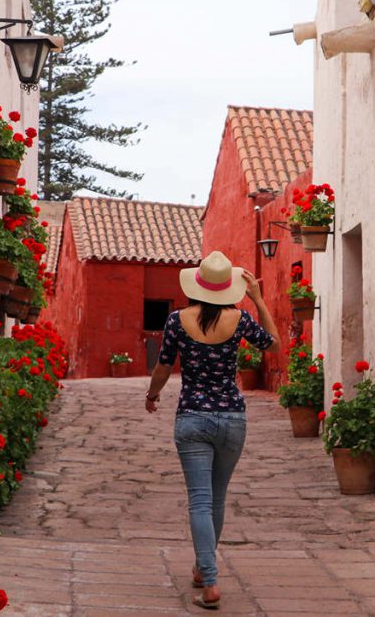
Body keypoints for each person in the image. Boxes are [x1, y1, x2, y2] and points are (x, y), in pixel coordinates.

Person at [145, 251, 280, 610]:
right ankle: (204, 569)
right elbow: (273, 343)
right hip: (232, 418)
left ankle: (210, 580)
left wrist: (152, 395)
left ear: (198, 285)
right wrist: (258, 299)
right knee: (216, 499)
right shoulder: (240, 319)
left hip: (192, 417)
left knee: (200, 501)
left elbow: (162, 366)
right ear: (226, 289)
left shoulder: (176, 320)